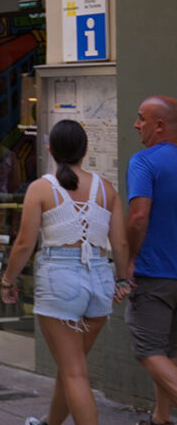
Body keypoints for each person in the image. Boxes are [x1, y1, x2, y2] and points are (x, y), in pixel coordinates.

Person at [0, 119, 129, 425]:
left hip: (60, 280)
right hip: (100, 278)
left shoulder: (42, 188)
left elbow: (24, 244)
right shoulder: (106, 189)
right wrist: (122, 279)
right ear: (85, 150)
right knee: (72, 366)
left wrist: (7, 280)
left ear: (49, 150)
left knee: (74, 371)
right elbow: (120, 242)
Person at [125, 96, 177, 425]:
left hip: (154, 273)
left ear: (159, 126)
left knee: (148, 349)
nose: (136, 124)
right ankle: (160, 418)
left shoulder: (144, 162)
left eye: (141, 118)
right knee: (170, 350)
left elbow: (138, 216)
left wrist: (128, 258)